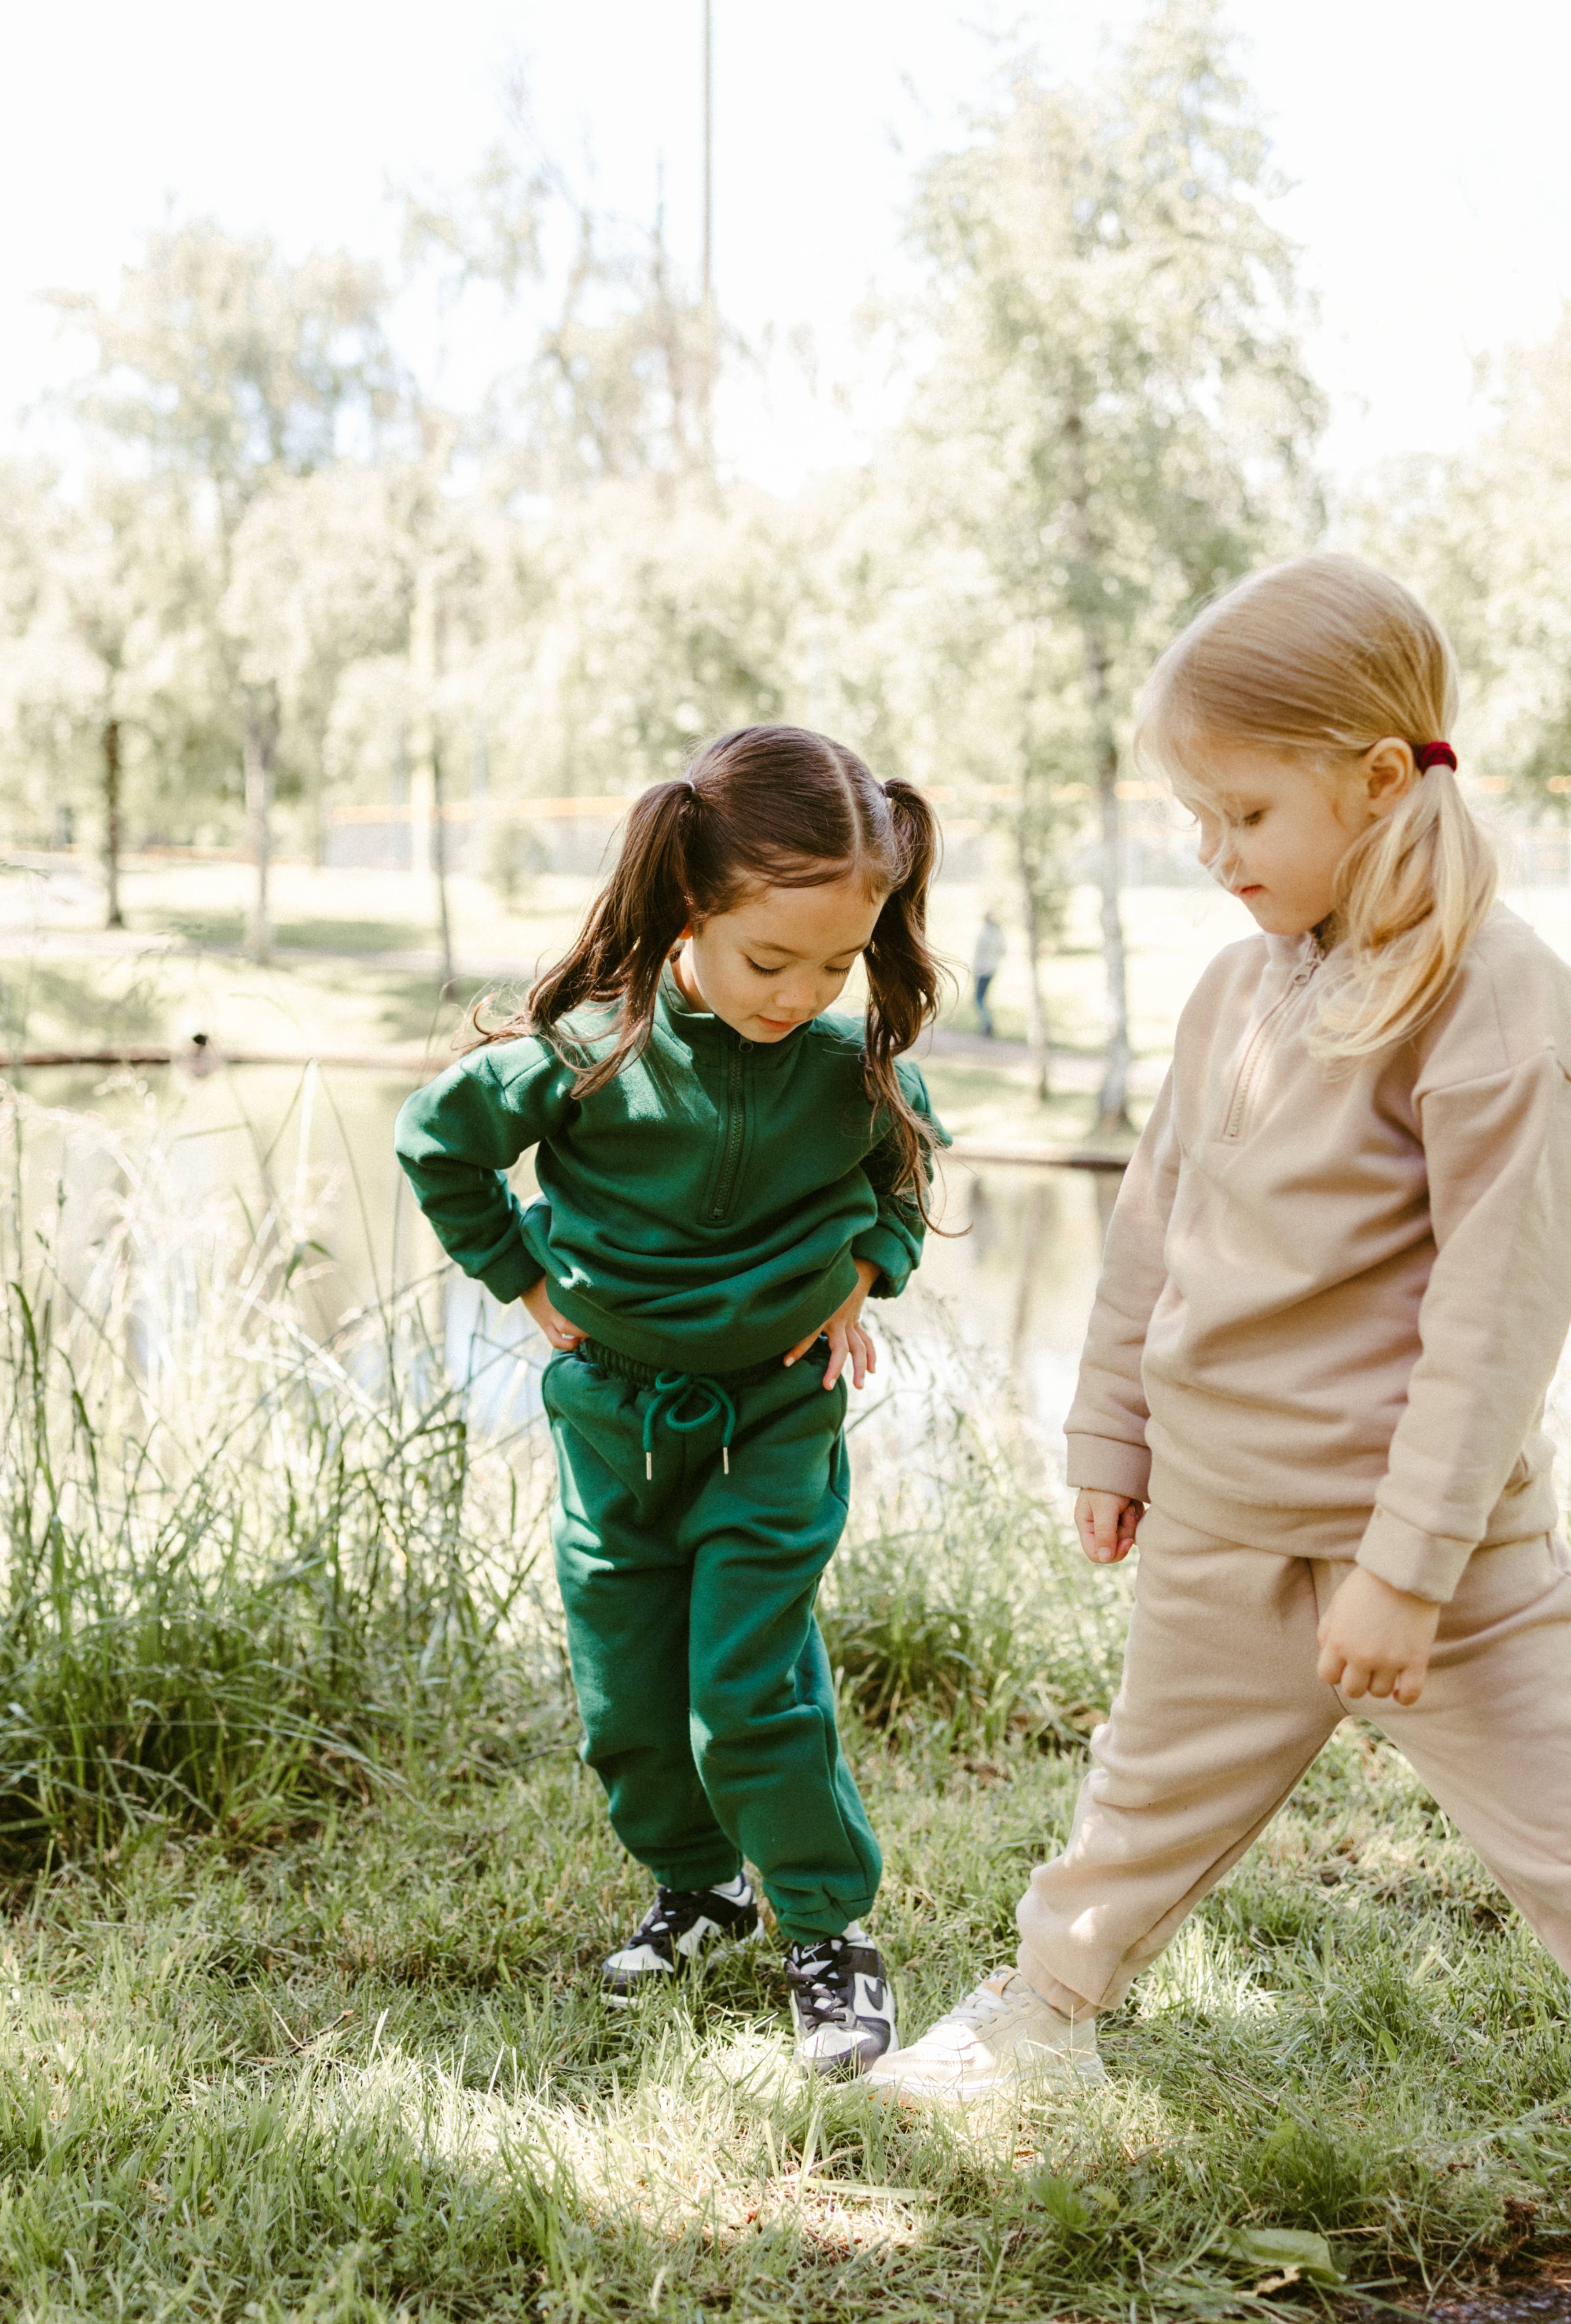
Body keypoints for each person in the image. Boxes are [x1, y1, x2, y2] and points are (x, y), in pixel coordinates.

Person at [866, 554, 1571, 2102]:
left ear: (1378, 780)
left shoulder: (1491, 1001)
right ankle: (1039, 2019)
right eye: (1197, 818)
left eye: (1243, 815)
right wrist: (1110, 1430)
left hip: (1431, 1560)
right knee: (1137, 1805)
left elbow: (1494, 1315)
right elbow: (1149, 1234)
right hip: (1216, 1516)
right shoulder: (1230, 995)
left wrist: (1401, 1570)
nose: (1210, 852)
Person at [395, 724, 948, 2076]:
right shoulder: (587, 1047)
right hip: (611, 1420)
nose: (802, 991)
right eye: (772, 959)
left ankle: (829, 1931)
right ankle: (703, 1887)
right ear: (691, 906)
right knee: (627, 1704)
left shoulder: (848, 1065)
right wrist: (523, 1279)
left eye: (836, 963)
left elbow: (907, 1173)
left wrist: (869, 1268)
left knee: (745, 1688)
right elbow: (438, 1145)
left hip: (776, 1416)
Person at [971, 909, 1007, 1036]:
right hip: (992, 969)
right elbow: (1003, 951)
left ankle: (987, 1024)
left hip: (982, 970)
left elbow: (978, 954)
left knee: (979, 999)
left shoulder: (984, 934)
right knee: (982, 998)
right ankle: (987, 1024)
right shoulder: (997, 934)